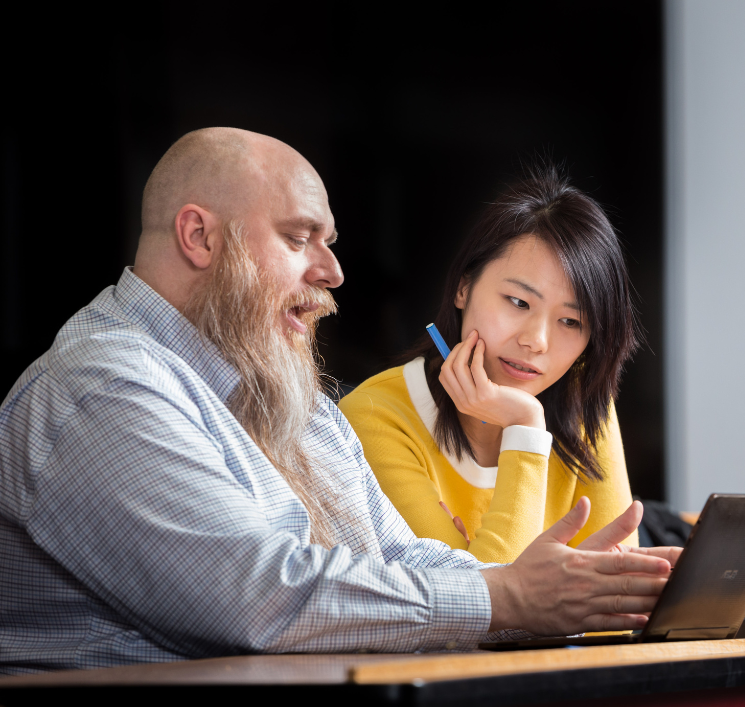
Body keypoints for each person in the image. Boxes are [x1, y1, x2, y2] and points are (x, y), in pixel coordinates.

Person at [0, 129, 680, 675]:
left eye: (328, 242)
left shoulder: (287, 394)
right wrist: (507, 595)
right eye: (298, 239)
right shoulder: (103, 385)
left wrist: (543, 582)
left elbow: (398, 556)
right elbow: (261, 596)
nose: (332, 272)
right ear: (198, 236)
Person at [339, 168, 641, 563]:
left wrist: (484, 563)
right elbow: (479, 606)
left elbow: (611, 599)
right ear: (464, 287)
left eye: (571, 321)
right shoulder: (375, 417)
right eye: (518, 302)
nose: (537, 340)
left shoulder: (582, 399)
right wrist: (527, 428)